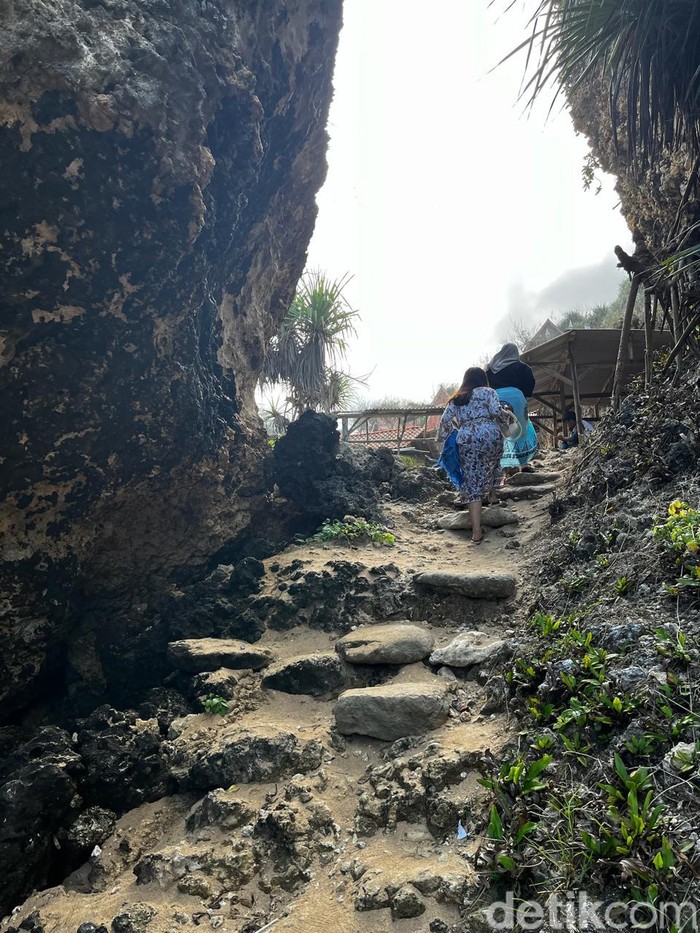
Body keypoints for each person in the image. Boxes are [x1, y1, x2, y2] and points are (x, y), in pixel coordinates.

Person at [438, 367, 504, 545]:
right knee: (492, 463)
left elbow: (444, 421)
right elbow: (497, 412)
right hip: (491, 435)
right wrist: (505, 416)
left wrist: (442, 438)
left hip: (467, 438)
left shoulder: (458, 398)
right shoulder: (489, 392)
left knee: (471, 481)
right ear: (483, 379)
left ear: (465, 380)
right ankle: (492, 495)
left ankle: (476, 533)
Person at [486, 344, 538, 471]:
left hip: (495, 398)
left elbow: (485, 385)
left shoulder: (490, 368)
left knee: (499, 430)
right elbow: (529, 386)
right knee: (520, 428)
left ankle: (501, 465)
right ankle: (523, 464)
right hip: (517, 398)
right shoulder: (522, 367)